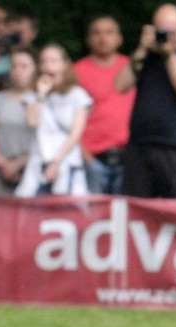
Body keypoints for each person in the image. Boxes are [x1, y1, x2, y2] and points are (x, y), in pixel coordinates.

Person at [115, 3, 176, 200]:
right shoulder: (145, 56)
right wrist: (141, 50)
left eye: (172, 31)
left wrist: (169, 54)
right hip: (140, 145)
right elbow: (120, 86)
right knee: (135, 211)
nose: (166, 36)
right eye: (162, 30)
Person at [16, 44, 92, 197]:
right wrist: (41, 95)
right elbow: (32, 122)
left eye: (54, 61)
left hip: (66, 161)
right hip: (38, 163)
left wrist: (56, 162)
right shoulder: (33, 96)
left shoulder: (78, 95)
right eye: (44, 62)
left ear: (64, 65)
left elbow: (76, 134)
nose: (48, 66)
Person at [73, 16, 136, 195]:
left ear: (119, 38)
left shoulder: (132, 68)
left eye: (109, 32)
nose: (103, 38)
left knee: (124, 216)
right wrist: (86, 158)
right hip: (91, 158)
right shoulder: (77, 72)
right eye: (97, 33)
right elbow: (68, 118)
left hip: (128, 157)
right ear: (88, 39)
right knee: (92, 218)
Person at [0, 48, 37, 195]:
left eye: (24, 66)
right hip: (0, 169)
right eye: (14, 66)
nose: (18, 71)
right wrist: (4, 165)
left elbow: (46, 140)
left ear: (34, 70)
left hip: (32, 169)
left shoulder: (41, 100)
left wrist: (19, 163)